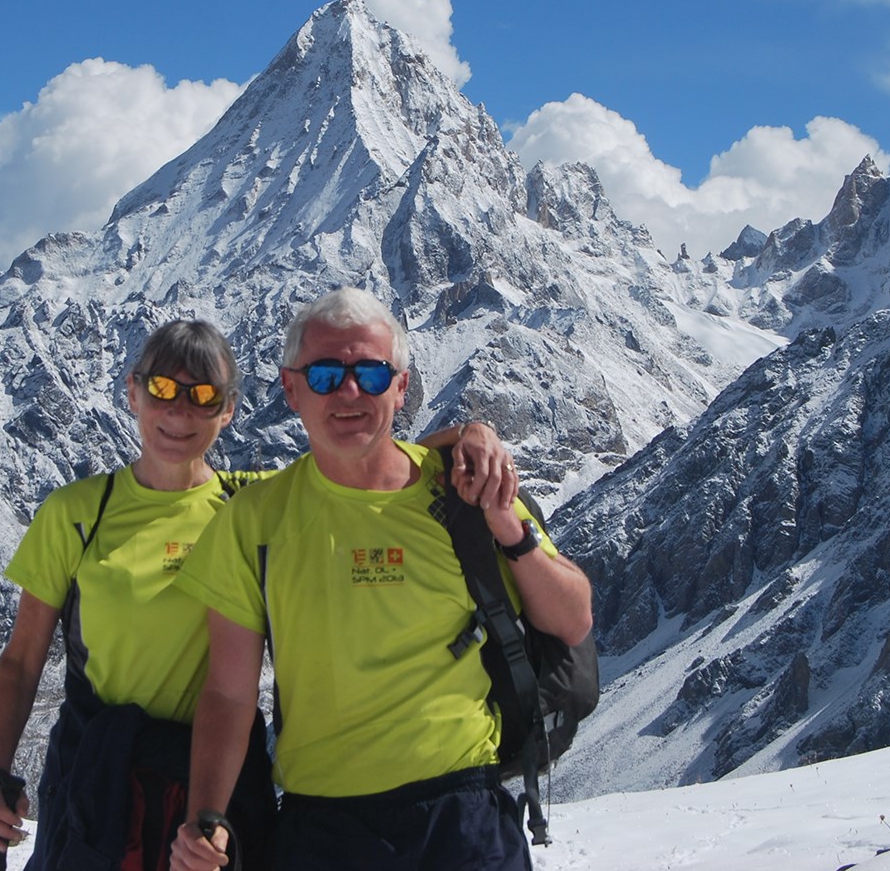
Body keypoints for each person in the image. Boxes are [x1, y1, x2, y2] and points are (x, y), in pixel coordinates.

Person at [0, 318, 512, 871]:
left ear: (228, 411)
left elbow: (363, 466)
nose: (179, 411)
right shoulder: (77, 514)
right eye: (162, 389)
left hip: (219, 786)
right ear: (132, 392)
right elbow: (20, 659)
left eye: (203, 396)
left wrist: (467, 437)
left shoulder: (250, 509)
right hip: (103, 778)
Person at [168, 288, 593, 871]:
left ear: (401, 386)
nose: (349, 392)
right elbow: (229, 692)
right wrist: (208, 816)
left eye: (370, 373)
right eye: (324, 374)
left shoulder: (462, 486)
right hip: (325, 825)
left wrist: (504, 523)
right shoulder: (254, 520)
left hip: (462, 810)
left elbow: (573, 618)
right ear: (291, 389)